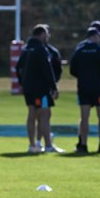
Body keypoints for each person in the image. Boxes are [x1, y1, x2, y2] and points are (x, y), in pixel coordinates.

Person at [15, 24, 63, 154]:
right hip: (41, 89)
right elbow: (47, 69)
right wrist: (53, 86)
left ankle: (33, 145)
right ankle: (48, 145)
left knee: (32, 114)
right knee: (45, 115)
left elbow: (18, 68)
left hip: (29, 88)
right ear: (42, 34)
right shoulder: (41, 49)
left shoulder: (26, 49)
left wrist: (22, 83)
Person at [69, 26, 100, 153]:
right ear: (95, 37)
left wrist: (84, 76)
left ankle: (83, 145)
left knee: (84, 117)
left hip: (84, 88)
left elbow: (73, 70)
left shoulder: (80, 50)